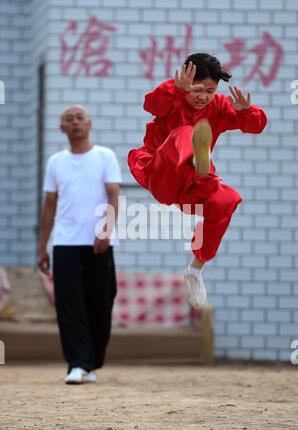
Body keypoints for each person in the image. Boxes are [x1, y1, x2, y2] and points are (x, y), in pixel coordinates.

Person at [128, 52, 267, 309]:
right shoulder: (174, 97)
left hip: (193, 183)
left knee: (227, 200)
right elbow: (150, 105)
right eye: (198, 89)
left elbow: (255, 127)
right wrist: (175, 88)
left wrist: (248, 112)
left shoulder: (219, 106)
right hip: (160, 171)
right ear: (186, 82)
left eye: (211, 90)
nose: (204, 96)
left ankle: (195, 269)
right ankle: (194, 150)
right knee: (184, 133)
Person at [38, 105, 121, 384]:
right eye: (68, 120)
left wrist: (105, 230)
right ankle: (77, 363)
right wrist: (42, 247)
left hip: (98, 241)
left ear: (90, 124)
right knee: (69, 304)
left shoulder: (105, 156)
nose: (75, 123)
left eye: (80, 118)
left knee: (101, 301)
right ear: (62, 128)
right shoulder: (56, 162)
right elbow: (49, 205)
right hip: (65, 242)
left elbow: (113, 195)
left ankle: (92, 361)